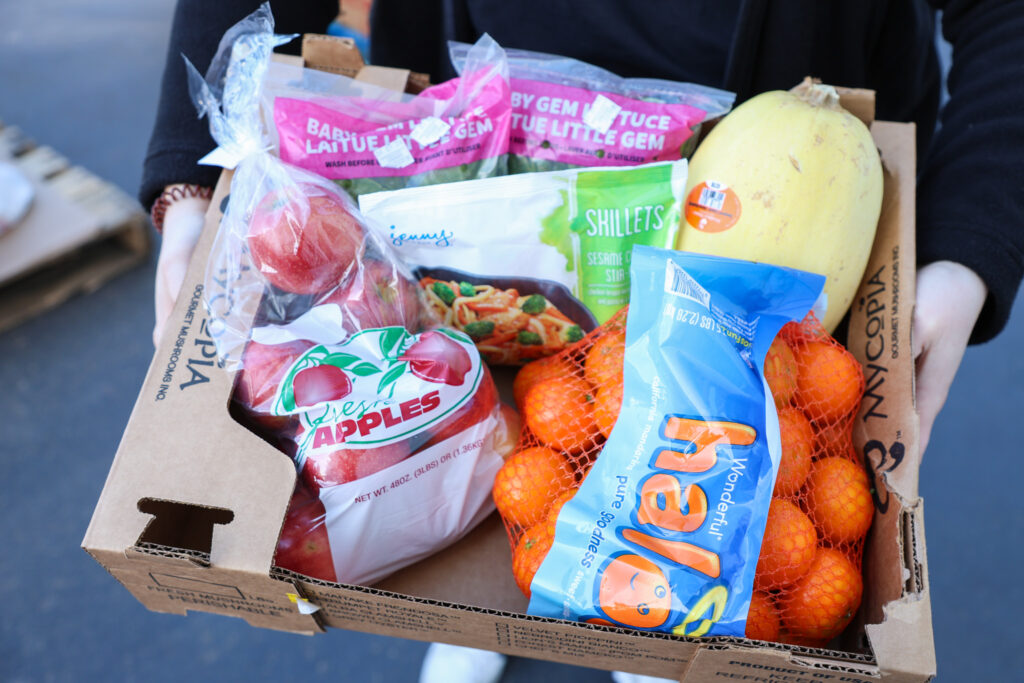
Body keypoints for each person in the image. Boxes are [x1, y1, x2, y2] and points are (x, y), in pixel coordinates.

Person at [140, 2, 1023, 682]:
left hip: (796, 179)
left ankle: (650, 618)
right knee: (476, 408)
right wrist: (190, 184)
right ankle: (488, 608)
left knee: (744, 434)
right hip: (484, 159)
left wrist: (968, 251)